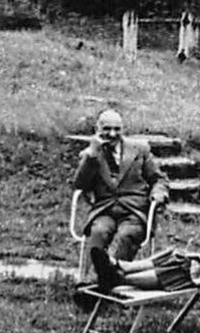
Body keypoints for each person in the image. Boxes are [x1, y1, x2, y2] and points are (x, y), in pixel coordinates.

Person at [71, 109, 168, 280]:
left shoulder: (140, 149)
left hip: (134, 211)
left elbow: (158, 179)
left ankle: (100, 282)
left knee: (126, 235)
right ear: (97, 129)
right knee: (99, 232)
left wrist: (158, 194)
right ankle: (93, 283)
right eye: (107, 129)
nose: (112, 133)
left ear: (123, 129)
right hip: (105, 210)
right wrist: (92, 155)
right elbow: (80, 185)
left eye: (117, 129)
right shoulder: (91, 154)